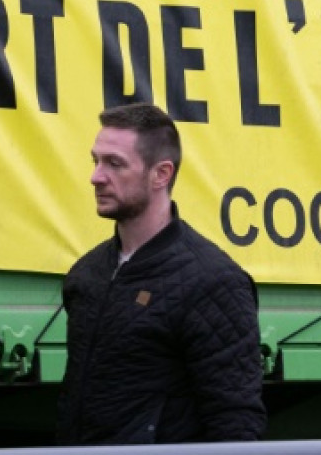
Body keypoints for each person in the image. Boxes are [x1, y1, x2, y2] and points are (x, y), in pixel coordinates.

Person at [56, 102, 266, 445]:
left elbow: (236, 421)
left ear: (161, 174)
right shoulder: (87, 275)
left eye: (114, 164)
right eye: (96, 161)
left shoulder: (214, 281)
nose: (96, 177)